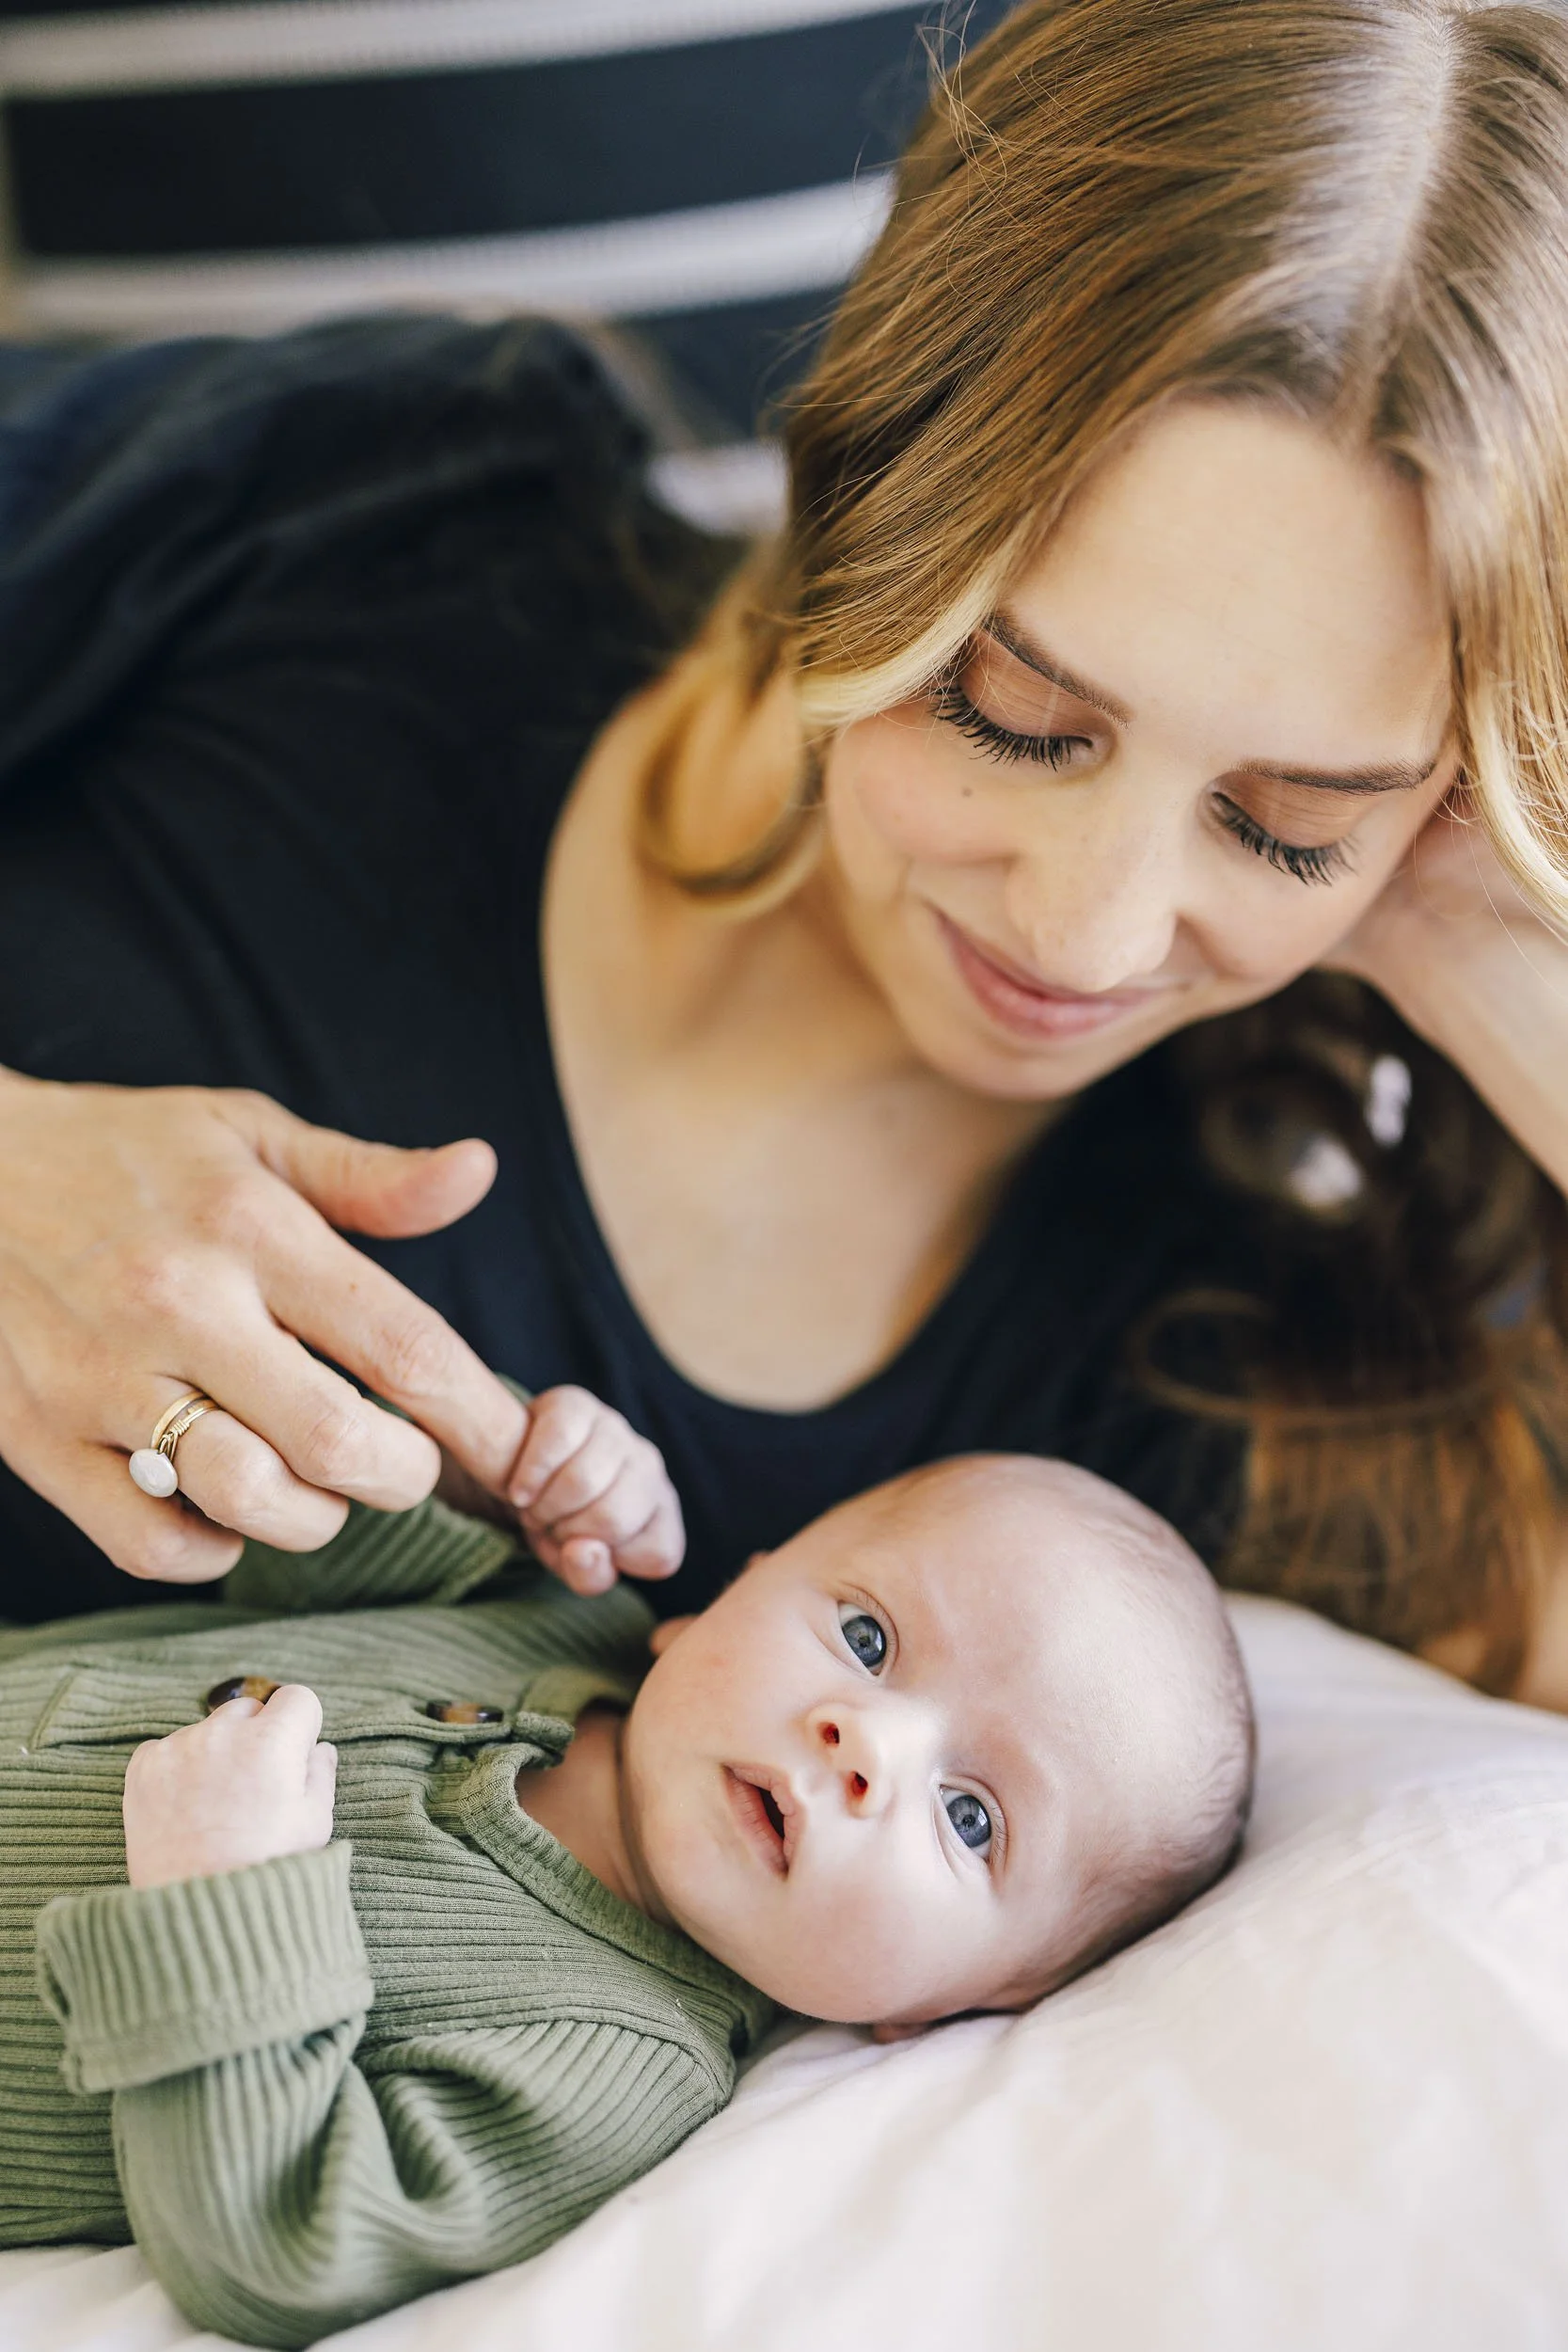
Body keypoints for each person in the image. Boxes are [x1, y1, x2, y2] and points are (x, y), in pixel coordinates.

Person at [0, 0, 1563, 1696]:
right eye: (1014, 713)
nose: (1087, 936)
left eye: (1285, 823)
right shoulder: (381, 509)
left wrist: (1481, 923)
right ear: (876, 476)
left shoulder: (1198, 1356)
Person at [0, 1384, 1253, 2347]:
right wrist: (512, 1477)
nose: (867, 1741)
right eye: (865, 1635)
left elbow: (278, 2246)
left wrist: (224, 1906)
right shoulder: (546, 1614)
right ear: (728, 1597)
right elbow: (298, 1513)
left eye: (971, 1818)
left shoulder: (608, 2058)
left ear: (952, 2003)